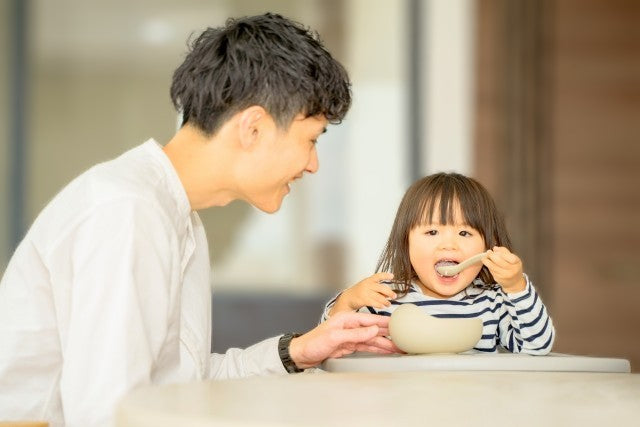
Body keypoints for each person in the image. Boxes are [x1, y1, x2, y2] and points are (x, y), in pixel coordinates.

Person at [0, 13, 398, 427]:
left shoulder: (176, 214)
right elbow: (107, 414)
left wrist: (299, 350)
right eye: (310, 140)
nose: (312, 164)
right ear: (254, 128)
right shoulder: (126, 211)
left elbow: (180, 382)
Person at [321, 172, 555, 355]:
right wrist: (348, 301)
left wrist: (516, 287)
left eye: (465, 233)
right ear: (406, 242)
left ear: (488, 246)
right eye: (432, 231)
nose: (449, 245)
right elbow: (331, 345)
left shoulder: (492, 303)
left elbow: (537, 347)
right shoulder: (385, 299)